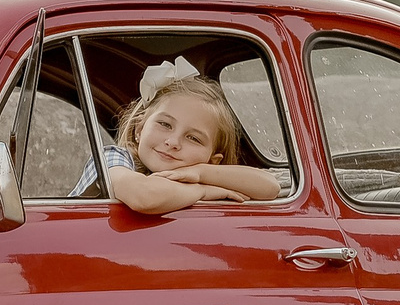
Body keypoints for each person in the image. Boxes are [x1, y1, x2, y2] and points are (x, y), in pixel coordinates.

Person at [94, 74, 282, 214]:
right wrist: (203, 190)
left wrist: (201, 172)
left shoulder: (196, 175)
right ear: (139, 129)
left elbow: (270, 187)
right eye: (165, 124)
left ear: (213, 160)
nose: (173, 142)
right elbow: (144, 196)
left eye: (193, 138)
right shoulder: (113, 158)